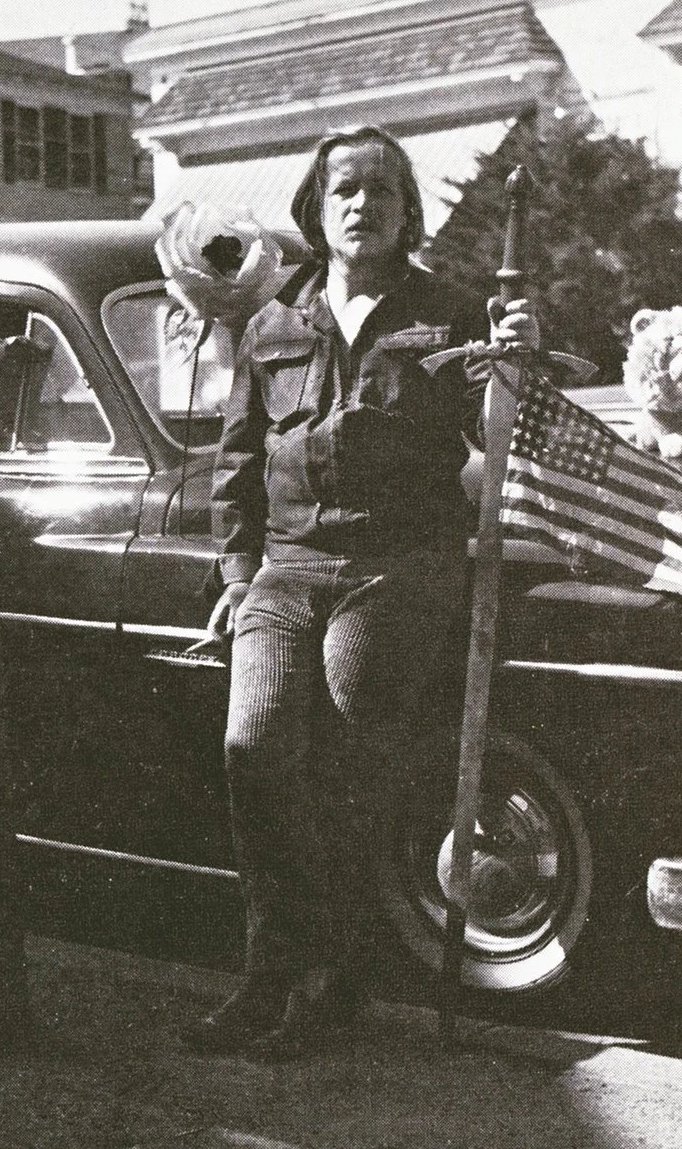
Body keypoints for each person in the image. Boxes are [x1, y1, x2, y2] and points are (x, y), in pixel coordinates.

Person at [180, 126, 539, 1061]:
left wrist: (514, 361)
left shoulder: (452, 314)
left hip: (398, 568)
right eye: (344, 187)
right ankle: (272, 974)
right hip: (288, 569)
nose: (361, 203)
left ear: (405, 210)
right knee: (252, 748)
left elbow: (501, 439)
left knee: (344, 749)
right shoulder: (272, 321)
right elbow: (237, 463)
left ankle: (334, 982)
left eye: (381, 188)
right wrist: (237, 572)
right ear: (317, 205)